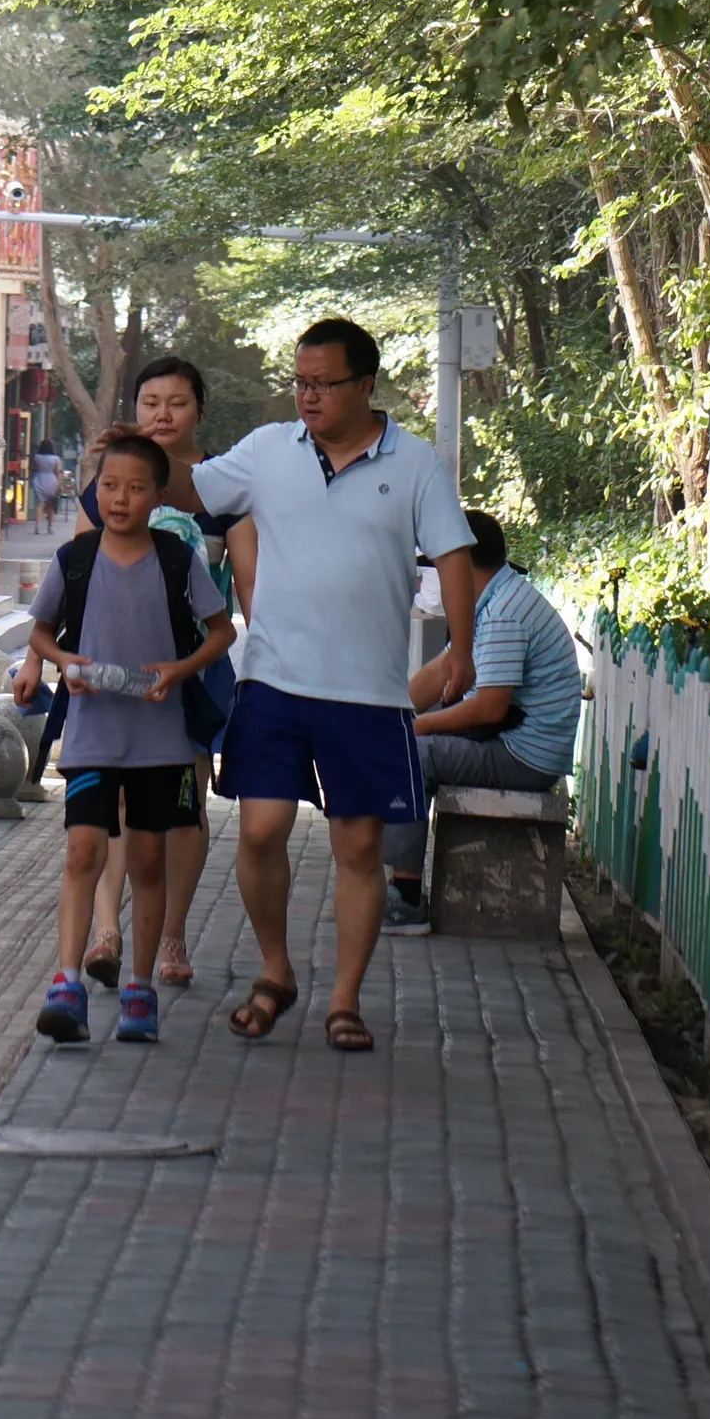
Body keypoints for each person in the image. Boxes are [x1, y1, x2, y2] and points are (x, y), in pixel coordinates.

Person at [169, 317, 477, 1053]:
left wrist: (462, 646)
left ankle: (344, 1000)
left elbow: (454, 554)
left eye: (322, 384)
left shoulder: (414, 465)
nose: (307, 396)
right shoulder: (269, 451)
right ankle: (276, 970)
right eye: (299, 382)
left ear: (363, 384)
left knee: (359, 846)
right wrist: (142, 454)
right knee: (260, 829)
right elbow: (190, 490)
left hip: (367, 692)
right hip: (273, 679)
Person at [23, 431, 235, 1047]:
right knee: (82, 852)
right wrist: (63, 658)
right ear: (94, 491)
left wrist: (180, 669)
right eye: (109, 486)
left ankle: (139, 990)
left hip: (161, 744)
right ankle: (66, 983)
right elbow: (39, 632)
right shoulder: (75, 560)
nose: (120, 498)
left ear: (159, 496)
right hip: (91, 737)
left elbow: (220, 631)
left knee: (147, 862)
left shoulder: (176, 558)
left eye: (135, 488)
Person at [79, 355, 256, 988]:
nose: (162, 414)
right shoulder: (107, 484)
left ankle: (173, 935)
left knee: (183, 806)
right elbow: (73, 581)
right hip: (108, 671)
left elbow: (249, 596)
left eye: (176, 403)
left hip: (190, 673)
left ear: (198, 411)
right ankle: (106, 930)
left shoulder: (225, 491)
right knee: (113, 800)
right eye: (150, 402)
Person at [382, 508, 583, 934]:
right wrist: (390, 713)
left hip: (525, 756)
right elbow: (442, 672)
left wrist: (411, 728)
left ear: (461, 561)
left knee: (412, 753)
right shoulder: (493, 600)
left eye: (438, 563)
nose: (432, 575)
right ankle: (384, 872)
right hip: (513, 740)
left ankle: (405, 899)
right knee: (402, 736)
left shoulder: (505, 612)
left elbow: (489, 707)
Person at [29, 438, 63, 531]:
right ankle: (50, 526)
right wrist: (60, 485)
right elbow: (58, 472)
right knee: (51, 505)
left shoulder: (37, 457)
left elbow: (33, 468)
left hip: (39, 479)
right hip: (52, 480)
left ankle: (37, 525)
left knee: (40, 504)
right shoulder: (56, 459)